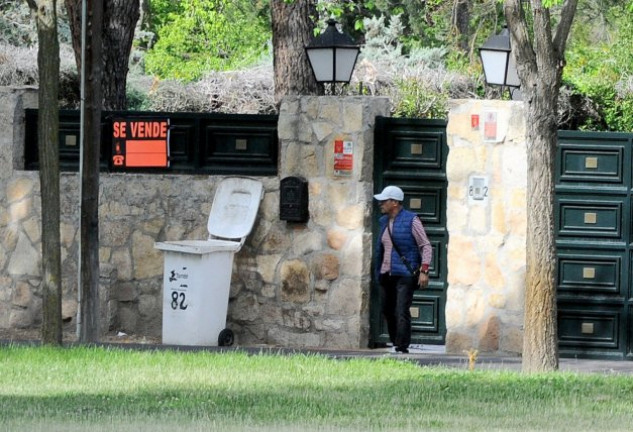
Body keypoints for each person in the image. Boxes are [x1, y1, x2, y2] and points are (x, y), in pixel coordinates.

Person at [374, 185, 432, 354]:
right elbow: (382, 249)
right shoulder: (383, 221)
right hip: (386, 274)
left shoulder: (412, 220)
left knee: (401, 310)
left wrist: (424, 271)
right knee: (387, 309)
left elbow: (426, 246)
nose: (380, 204)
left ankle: (402, 347)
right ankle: (395, 342)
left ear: (394, 202)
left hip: (405, 275)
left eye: (384, 201)